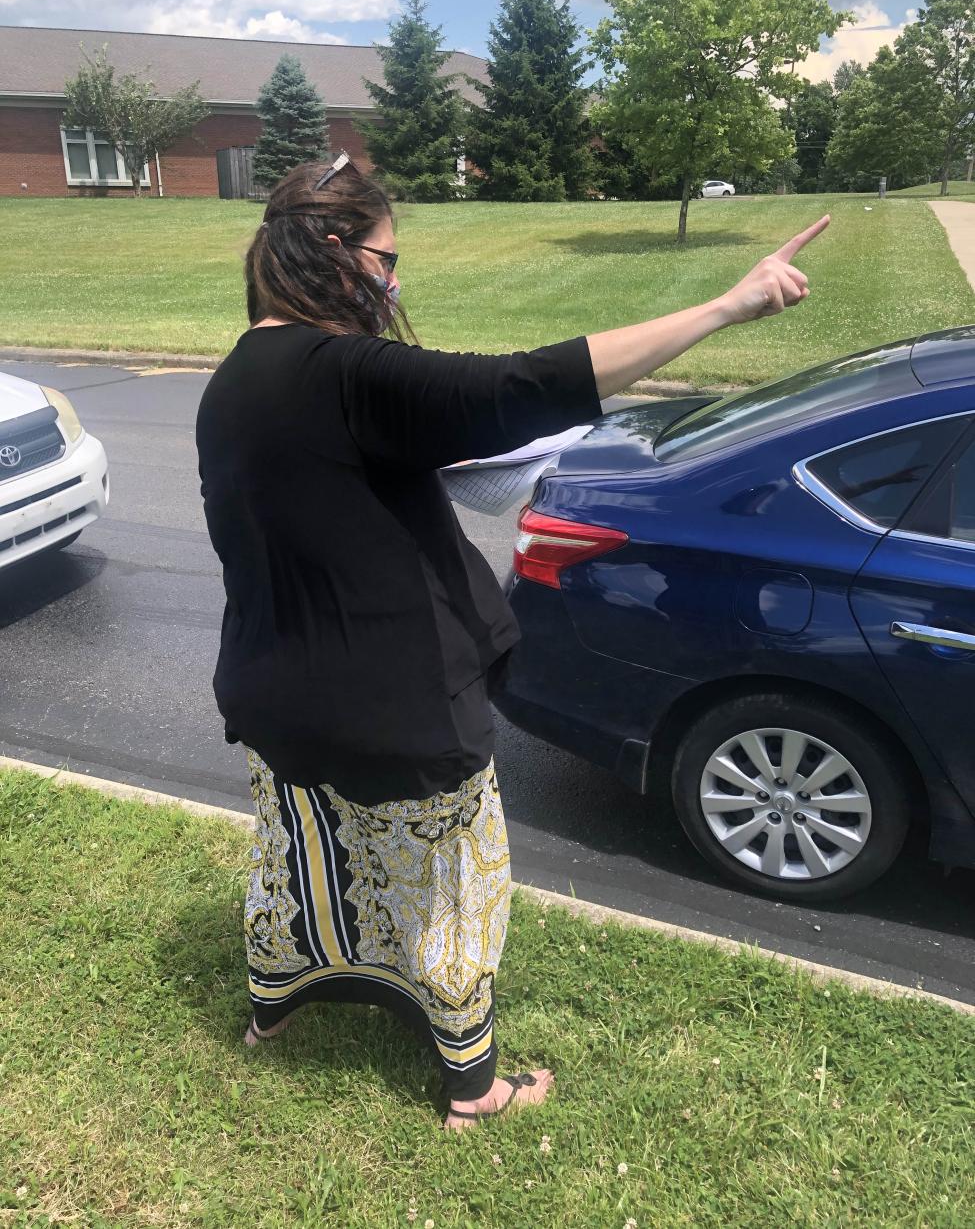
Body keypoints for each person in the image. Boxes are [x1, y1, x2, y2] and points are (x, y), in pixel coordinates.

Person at [195, 151, 828, 1130]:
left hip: (273, 694)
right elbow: (524, 384)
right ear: (337, 251)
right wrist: (724, 308)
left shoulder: (235, 376)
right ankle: (473, 1085)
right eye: (386, 256)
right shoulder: (346, 370)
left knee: (301, 860)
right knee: (454, 889)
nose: (393, 279)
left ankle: (275, 1010)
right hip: (401, 704)